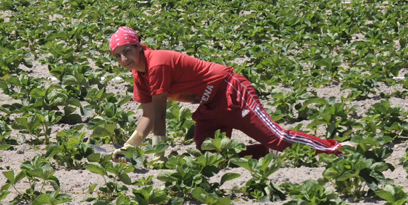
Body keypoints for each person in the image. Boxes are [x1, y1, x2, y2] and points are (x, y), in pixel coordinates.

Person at [108, 26, 344, 159]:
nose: (124, 59)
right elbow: (148, 116)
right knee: (209, 149)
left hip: (231, 92)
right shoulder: (140, 75)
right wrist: (131, 146)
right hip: (210, 105)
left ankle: (334, 148)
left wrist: (158, 154)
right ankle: (261, 152)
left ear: (139, 46)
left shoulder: (157, 62)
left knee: (278, 138)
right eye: (117, 56)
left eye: (127, 51)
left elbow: (160, 115)